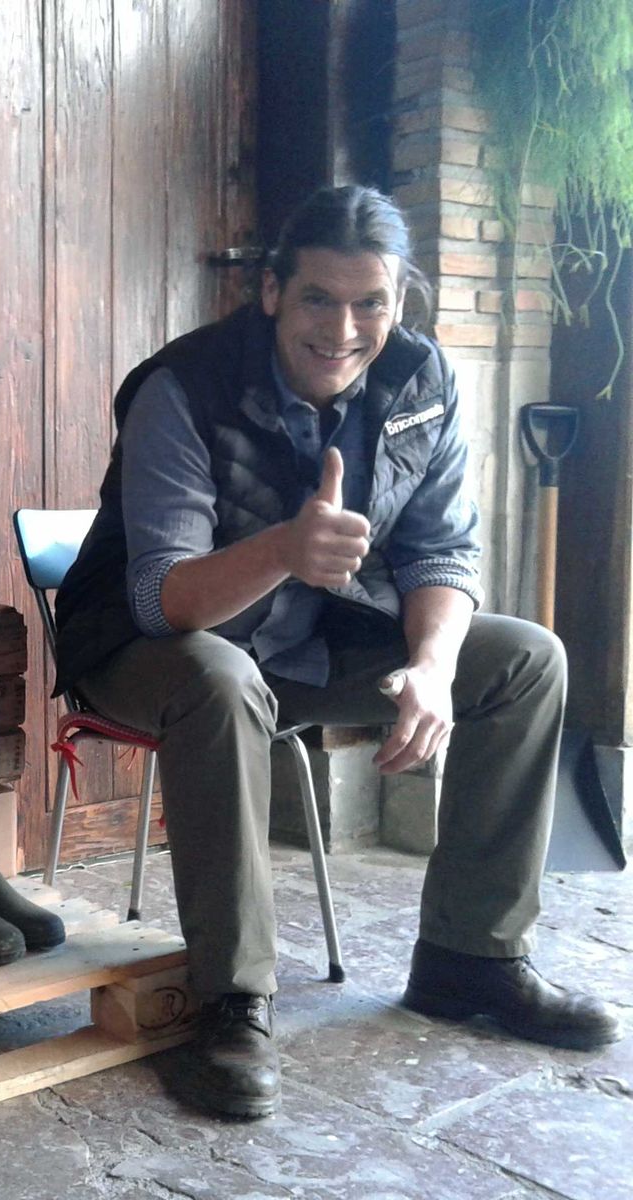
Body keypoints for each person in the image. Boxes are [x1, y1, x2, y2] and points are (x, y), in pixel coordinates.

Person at [53, 184, 621, 1119]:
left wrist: (432, 667)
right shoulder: (182, 387)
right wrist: (283, 548)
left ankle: (471, 958)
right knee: (220, 677)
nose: (344, 328)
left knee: (526, 659)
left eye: (371, 303)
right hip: (148, 648)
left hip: (316, 645)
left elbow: (441, 552)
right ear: (272, 290)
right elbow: (162, 599)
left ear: (400, 303)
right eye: (319, 297)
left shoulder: (421, 382)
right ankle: (233, 1002)